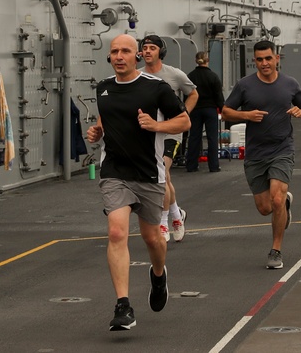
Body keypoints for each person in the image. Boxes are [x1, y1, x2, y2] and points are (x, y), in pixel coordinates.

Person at [85, 34, 190, 331]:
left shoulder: (156, 89)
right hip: (115, 172)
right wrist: (97, 133)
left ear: (137, 57)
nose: (119, 56)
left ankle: (158, 275)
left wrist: (157, 126)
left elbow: (184, 122)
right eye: (114, 51)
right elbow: (106, 123)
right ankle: (123, 305)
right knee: (117, 231)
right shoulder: (103, 88)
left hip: (149, 174)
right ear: (109, 56)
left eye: (126, 51)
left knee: (152, 239)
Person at [222, 40, 301, 270]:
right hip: (256, 153)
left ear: (276, 58)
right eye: (259, 59)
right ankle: (284, 208)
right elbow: (226, 111)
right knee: (265, 208)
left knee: (277, 198)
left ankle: (276, 250)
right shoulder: (245, 85)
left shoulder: (289, 84)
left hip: (282, 149)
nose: (264, 63)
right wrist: (247, 115)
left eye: (268, 58)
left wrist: (300, 112)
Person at [139, 35, 198, 243]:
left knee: (161, 172)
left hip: (171, 132)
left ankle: (164, 222)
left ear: (160, 52)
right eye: (144, 48)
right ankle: (177, 214)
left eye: (152, 48)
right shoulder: (138, 76)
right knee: (165, 178)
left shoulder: (174, 74)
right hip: (150, 134)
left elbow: (193, 94)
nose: (147, 51)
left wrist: (184, 114)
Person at [186, 51, 225, 173]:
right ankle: (213, 166)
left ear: (196, 60)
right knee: (212, 138)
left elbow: (187, 94)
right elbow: (218, 96)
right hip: (210, 110)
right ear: (207, 60)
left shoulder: (190, 76)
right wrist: (223, 109)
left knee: (194, 137)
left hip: (195, 109)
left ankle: (191, 165)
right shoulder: (213, 76)